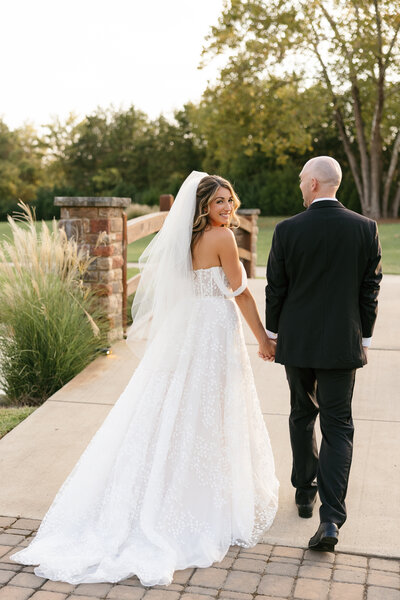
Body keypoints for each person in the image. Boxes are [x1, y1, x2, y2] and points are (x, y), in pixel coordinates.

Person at [10, 171, 279, 586]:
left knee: (180, 409)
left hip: (189, 330)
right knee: (210, 412)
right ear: (203, 206)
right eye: (219, 202)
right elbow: (239, 291)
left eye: (230, 201)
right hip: (211, 333)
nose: (227, 208)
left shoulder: (185, 240)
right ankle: (203, 502)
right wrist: (263, 338)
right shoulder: (223, 238)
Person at [264, 156, 382, 551]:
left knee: (302, 413)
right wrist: (363, 339)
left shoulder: (286, 230)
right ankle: (331, 519)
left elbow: (275, 287)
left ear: (314, 183)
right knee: (338, 426)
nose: (299, 185)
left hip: (297, 342)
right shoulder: (366, 229)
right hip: (341, 344)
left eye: (301, 179)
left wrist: (273, 334)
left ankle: (303, 490)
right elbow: (370, 289)